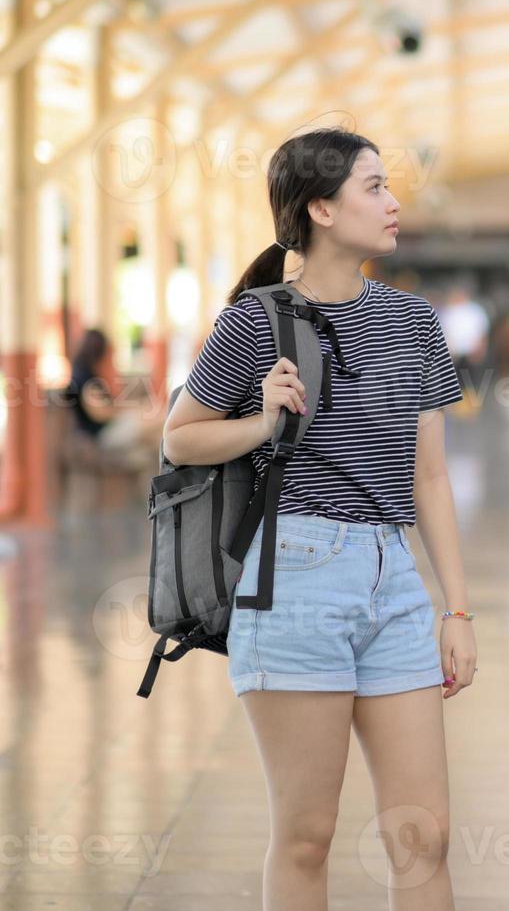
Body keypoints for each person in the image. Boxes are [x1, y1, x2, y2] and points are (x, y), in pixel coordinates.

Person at [160, 128, 474, 909]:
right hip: (292, 580)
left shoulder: (412, 322)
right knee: (306, 835)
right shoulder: (256, 321)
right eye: (374, 187)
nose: (393, 202)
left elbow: (429, 477)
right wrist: (263, 423)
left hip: (391, 579)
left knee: (423, 832)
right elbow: (181, 438)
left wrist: (456, 609)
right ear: (321, 208)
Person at [63, 327, 165, 472]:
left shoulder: (89, 375)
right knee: (156, 422)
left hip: (109, 431)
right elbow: (102, 413)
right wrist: (133, 409)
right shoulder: (84, 379)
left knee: (158, 439)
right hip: (101, 437)